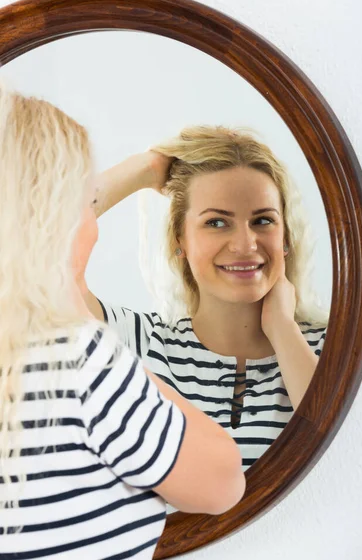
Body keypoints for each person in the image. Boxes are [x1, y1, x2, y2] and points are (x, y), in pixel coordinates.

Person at [0, 90, 245, 559]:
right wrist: (71, 303)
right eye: (86, 201)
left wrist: (147, 169)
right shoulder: (75, 362)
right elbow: (222, 483)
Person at [84, 126, 328, 469]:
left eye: (262, 220)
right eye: (216, 222)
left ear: (286, 238)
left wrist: (284, 330)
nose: (246, 245)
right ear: (178, 242)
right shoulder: (141, 344)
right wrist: (146, 169)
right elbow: (29, 246)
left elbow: (347, 450)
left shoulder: (335, 348)